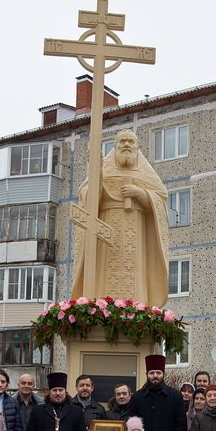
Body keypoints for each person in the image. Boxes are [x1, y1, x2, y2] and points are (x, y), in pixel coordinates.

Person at [72, 128, 170, 306]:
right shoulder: (105, 170)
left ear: (137, 148)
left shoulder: (146, 176)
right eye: (122, 141)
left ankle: (137, 308)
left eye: (130, 141)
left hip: (136, 239)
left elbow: (161, 199)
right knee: (104, 278)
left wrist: (141, 194)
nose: (126, 144)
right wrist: (98, 173)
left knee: (135, 282)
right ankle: (101, 308)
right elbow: (88, 199)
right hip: (106, 235)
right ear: (115, 147)